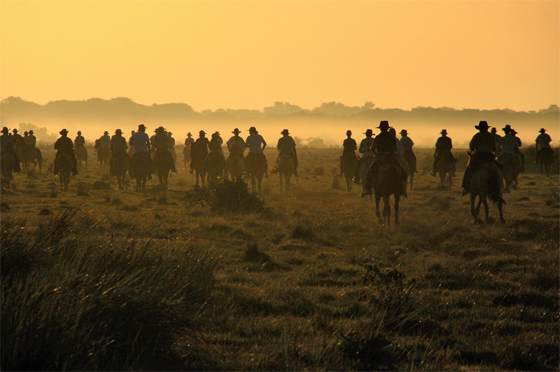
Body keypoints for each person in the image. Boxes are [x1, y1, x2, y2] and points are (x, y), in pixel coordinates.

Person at [363, 121, 407, 197]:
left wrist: (376, 155)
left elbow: (373, 148)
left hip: (380, 157)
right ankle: (402, 189)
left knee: (370, 171)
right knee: (402, 170)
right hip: (391, 157)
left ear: (380, 129)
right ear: (387, 128)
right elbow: (395, 148)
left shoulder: (378, 137)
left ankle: (368, 189)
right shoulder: (392, 137)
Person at [462, 121, 496, 194]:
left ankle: (466, 186)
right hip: (489, 156)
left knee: (469, 170)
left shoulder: (477, 135)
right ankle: (499, 186)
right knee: (497, 169)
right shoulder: (491, 136)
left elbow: (471, 146)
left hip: (479, 156)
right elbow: (494, 147)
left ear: (479, 128)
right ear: (487, 128)